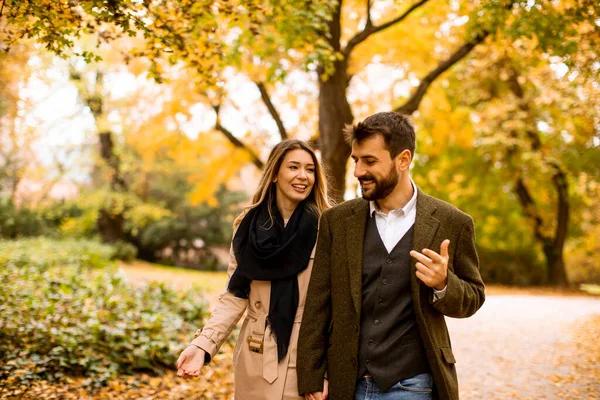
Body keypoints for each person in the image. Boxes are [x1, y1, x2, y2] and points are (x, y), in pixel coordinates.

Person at [297, 112, 485, 400]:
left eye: (370, 161)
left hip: (412, 385)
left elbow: (473, 296)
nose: (359, 171)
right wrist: (311, 375)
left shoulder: (452, 222)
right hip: (347, 383)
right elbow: (318, 303)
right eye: (356, 160)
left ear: (403, 159)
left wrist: (444, 284)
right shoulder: (337, 221)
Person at [176, 139, 332, 400]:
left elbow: (335, 307)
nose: (303, 176)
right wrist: (203, 345)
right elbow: (235, 295)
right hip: (254, 355)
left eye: (310, 169)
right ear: (274, 174)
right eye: (293, 167)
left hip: (305, 357)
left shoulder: (327, 227)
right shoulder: (247, 226)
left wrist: (324, 370)